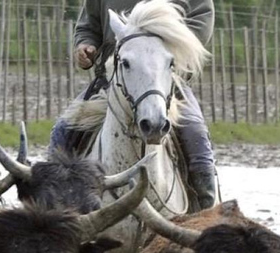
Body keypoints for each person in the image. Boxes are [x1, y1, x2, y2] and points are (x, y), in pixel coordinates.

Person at [50, 0, 218, 209]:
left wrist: (172, 45)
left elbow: (200, 21)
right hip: (114, 80)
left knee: (196, 135)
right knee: (63, 131)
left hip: (167, 81)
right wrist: (85, 45)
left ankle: (206, 215)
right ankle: (51, 215)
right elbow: (88, 25)